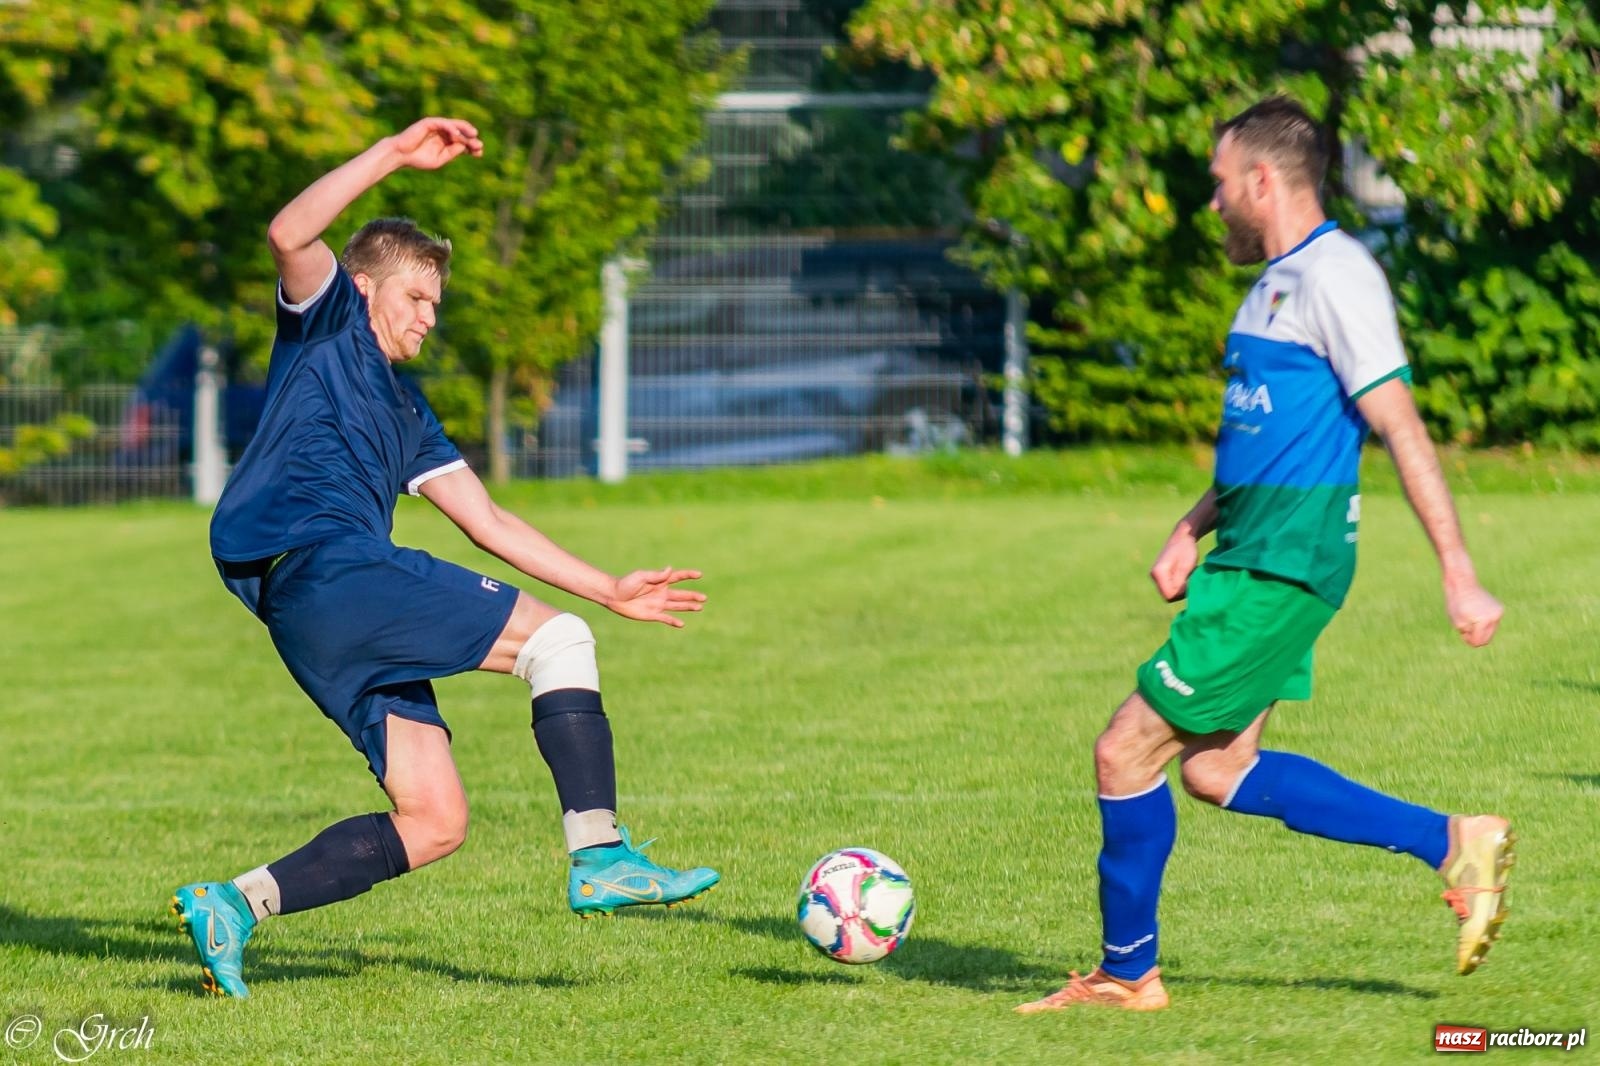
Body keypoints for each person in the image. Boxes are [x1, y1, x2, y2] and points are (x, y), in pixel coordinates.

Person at [171, 117, 719, 999]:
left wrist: (610, 588)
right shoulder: (327, 326)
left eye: (437, 302)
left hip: (309, 611)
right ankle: (600, 853)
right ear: (363, 287)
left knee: (436, 820)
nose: (431, 315)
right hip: (329, 565)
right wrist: (391, 153)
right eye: (417, 297)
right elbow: (287, 232)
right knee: (557, 643)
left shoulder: (409, 413)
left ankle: (235, 904)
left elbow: (490, 520)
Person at [1016, 97, 1512, 1014]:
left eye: (1217, 185)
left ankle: (1129, 975)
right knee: (1213, 768)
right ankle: (1455, 841)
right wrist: (1190, 526)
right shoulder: (1273, 282)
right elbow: (1262, 443)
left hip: (1284, 563)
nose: (1211, 206)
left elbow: (1396, 423)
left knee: (1125, 752)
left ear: (1261, 181)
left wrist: (1458, 570)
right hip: (1249, 552)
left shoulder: (1338, 276)